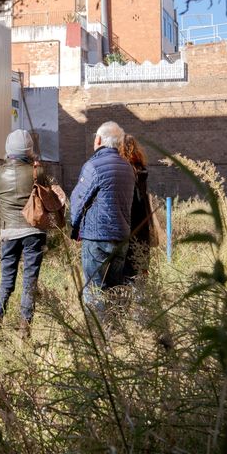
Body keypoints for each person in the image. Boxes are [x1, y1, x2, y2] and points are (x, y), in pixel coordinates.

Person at [69, 121, 136, 314]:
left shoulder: (93, 165)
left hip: (97, 238)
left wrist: (74, 230)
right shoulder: (128, 168)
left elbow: (79, 199)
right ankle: (116, 333)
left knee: (94, 290)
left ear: (98, 140)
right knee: (115, 289)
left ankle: (98, 338)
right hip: (121, 237)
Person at [0, 129, 52, 338]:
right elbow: (46, 198)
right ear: (29, 149)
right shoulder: (38, 172)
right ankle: (25, 328)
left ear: (8, 149)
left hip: (8, 231)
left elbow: (0, 198)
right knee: (30, 280)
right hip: (33, 230)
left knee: (7, 280)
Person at [117, 134, 153, 287]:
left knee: (123, 274)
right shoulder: (142, 172)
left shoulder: (121, 173)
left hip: (125, 226)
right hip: (142, 228)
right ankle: (142, 309)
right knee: (140, 272)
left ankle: (123, 308)